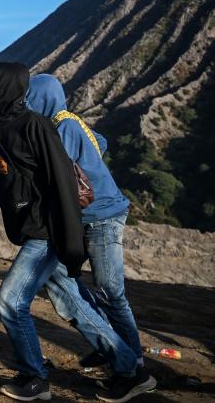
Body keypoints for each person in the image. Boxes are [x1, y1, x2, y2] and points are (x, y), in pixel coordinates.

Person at [0, 63, 154, 402]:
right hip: (35, 227)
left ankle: (35, 377)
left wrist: (68, 238)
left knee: (13, 299)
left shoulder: (42, 127)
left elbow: (63, 186)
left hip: (51, 228)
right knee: (71, 301)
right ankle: (129, 367)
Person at [25, 75, 147, 373]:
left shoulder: (63, 127)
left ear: (42, 99)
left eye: (31, 97)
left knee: (110, 291)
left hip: (103, 217)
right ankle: (112, 348)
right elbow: (100, 141)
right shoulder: (68, 122)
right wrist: (90, 162)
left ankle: (133, 358)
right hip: (93, 216)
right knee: (93, 287)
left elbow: (57, 171)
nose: (27, 103)